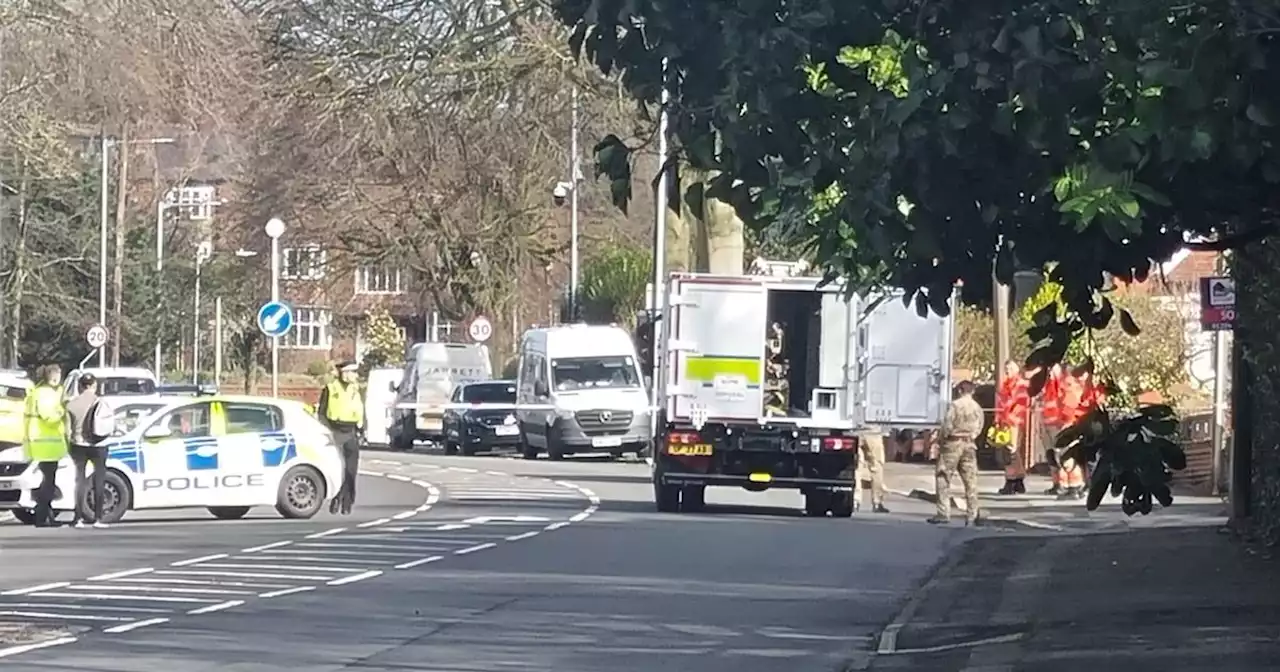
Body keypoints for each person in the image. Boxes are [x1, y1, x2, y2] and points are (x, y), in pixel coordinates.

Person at [928, 380, 984, 525]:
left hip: (952, 444)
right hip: (969, 444)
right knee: (970, 481)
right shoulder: (977, 408)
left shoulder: (955, 406)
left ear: (959, 390)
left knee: (943, 477)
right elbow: (979, 427)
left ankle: (943, 513)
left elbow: (947, 425)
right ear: (972, 391)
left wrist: (940, 441)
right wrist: (972, 436)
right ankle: (972, 514)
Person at [65, 373, 115, 528]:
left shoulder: (71, 405)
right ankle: (98, 518)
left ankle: (78, 518)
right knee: (99, 479)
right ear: (94, 385)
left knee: (79, 480)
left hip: (78, 445)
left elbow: (67, 431)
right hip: (99, 444)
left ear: (80, 386)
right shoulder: (102, 403)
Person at [24, 364, 67, 527]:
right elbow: (48, 416)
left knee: (48, 481)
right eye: (58, 374)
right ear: (52, 376)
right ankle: (42, 517)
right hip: (45, 444)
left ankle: (46, 516)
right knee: (47, 483)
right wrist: (62, 410)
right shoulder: (44, 393)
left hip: (45, 444)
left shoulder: (43, 391)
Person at [318, 361, 364, 515]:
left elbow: (360, 410)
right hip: (335, 431)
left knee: (351, 470)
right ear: (343, 373)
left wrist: (362, 429)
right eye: (351, 372)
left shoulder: (356, 390)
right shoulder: (330, 389)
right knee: (338, 469)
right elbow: (322, 413)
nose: (354, 375)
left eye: (354, 372)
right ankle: (336, 497)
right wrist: (326, 431)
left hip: (351, 432)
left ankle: (348, 501)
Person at [995, 361, 1031, 495]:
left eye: (1009, 368)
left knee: (1010, 452)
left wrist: (1007, 418)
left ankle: (1011, 481)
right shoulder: (1007, 384)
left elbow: (1018, 404)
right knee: (1012, 452)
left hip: (1014, 422)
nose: (1007, 371)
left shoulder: (1020, 384)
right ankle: (1018, 481)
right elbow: (1001, 403)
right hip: (1008, 421)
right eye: (1006, 368)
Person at [852, 430, 890, 513]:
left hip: (855, 430)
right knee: (876, 466)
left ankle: (855, 500)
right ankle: (877, 501)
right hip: (873, 431)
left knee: (857, 468)